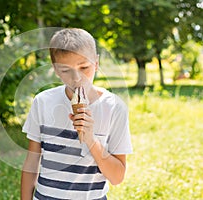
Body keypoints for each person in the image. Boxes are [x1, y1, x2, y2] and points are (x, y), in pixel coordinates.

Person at [21, 28, 133, 200]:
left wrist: (90, 138)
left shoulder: (114, 108)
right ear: (56, 70)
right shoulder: (42, 102)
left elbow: (117, 177)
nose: (77, 78)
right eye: (66, 70)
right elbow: (32, 162)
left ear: (96, 63)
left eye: (84, 67)